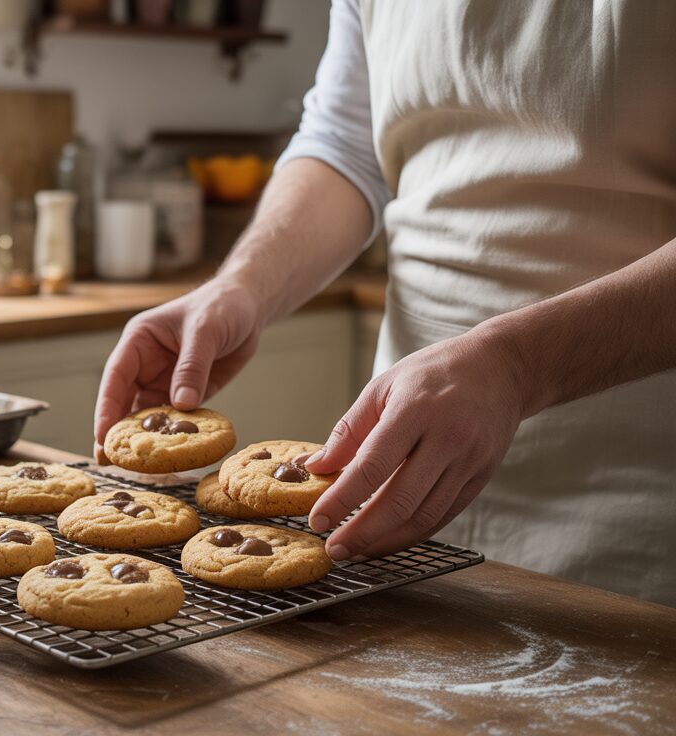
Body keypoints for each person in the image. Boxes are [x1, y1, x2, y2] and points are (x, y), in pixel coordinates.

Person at [94, 0, 676, 606]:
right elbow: (346, 144)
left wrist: (518, 365)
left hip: (631, 498)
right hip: (396, 479)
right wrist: (241, 286)